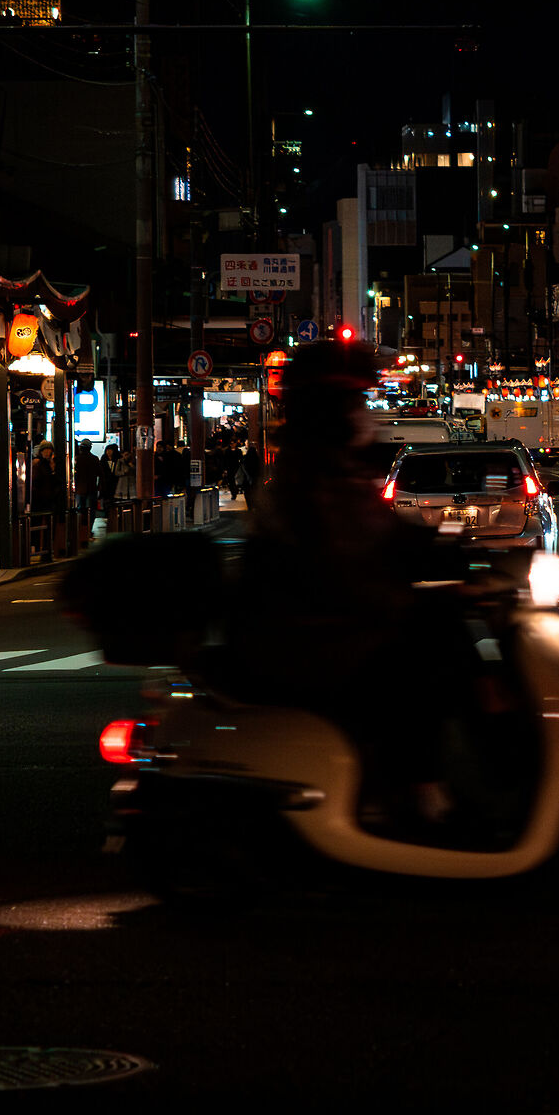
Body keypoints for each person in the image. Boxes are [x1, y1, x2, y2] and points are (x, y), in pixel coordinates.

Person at [234, 339, 477, 828]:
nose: (365, 413)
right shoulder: (312, 475)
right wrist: (411, 593)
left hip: (321, 625)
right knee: (431, 661)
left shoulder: (327, 466)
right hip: (311, 636)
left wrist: (445, 549)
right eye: (356, 401)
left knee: (439, 636)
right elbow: (348, 556)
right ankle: (417, 791)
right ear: (332, 408)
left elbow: (379, 535)